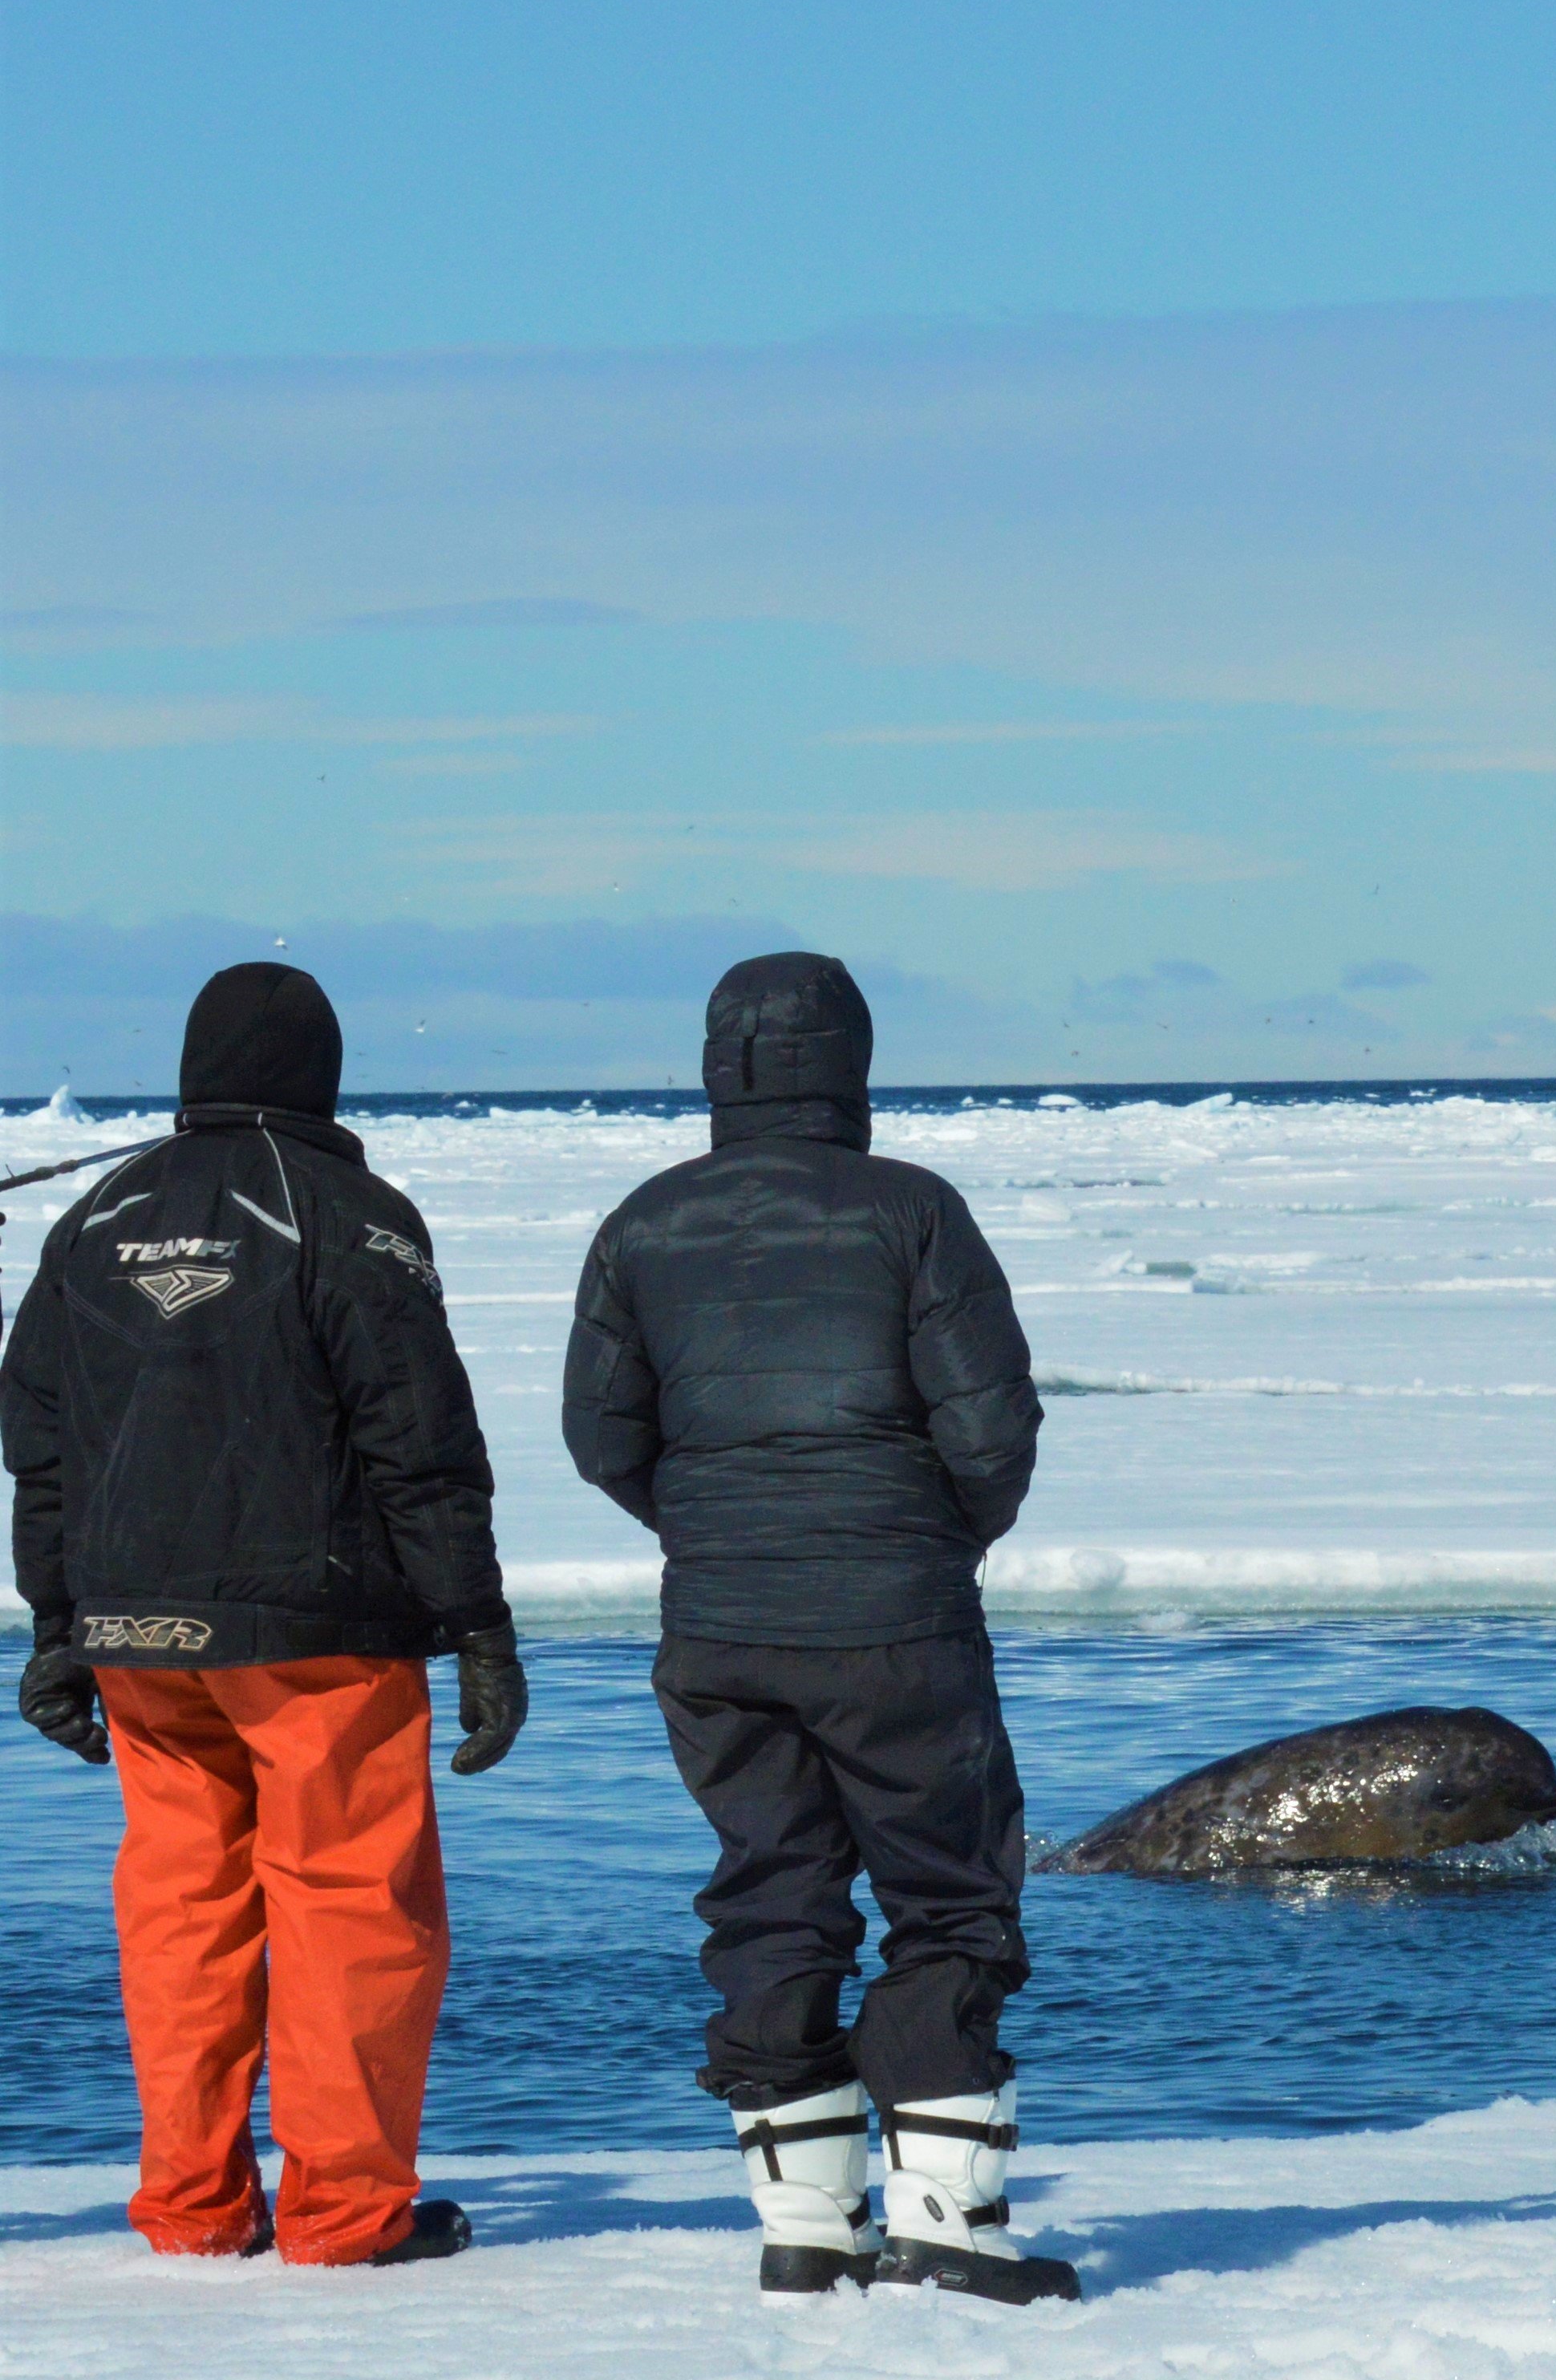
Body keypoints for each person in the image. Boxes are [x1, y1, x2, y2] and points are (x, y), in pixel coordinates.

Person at [560, 952, 1072, 2303]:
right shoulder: (914, 1210)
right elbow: (991, 1426)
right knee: (950, 1896)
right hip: (895, 1616)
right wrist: (939, 1536)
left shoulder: (644, 1220)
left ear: (717, 1063)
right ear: (852, 1062)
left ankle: (804, 2225)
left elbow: (599, 1437)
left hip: (722, 1627)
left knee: (771, 1896)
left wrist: (715, 1529)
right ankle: (950, 2228)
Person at [3, 963, 521, 2266]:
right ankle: (344, 2216)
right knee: (350, 1903)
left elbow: (40, 1447)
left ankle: (193, 2206)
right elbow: (422, 1442)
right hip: (316, 1635)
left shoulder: (94, 1220)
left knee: (184, 1911)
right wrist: (476, 1624)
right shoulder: (351, 1215)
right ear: (318, 1076)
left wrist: (59, 1625)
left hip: (140, 1637)